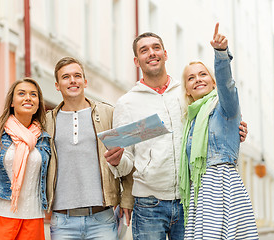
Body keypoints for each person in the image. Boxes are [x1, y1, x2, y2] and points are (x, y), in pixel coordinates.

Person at [105, 30, 248, 239]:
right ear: (137, 61)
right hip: (149, 203)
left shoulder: (187, 92)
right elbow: (126, 161)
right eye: (144, 51)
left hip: (189, 200)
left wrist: (236, 130)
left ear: (165, 53)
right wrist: (117, 161)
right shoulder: (127, 103)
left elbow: (217, 117)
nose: (151, 53)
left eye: (156, 48)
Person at [179, 23, 258, 239]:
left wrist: (220, 53)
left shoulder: (225, 107)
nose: (198, 80)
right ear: (186, 89)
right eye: (191, 77)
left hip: (222, 186)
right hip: (200, 193)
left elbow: (227, 85)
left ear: (213, 82)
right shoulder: (190, 120)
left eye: (203, 74)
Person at [45, 57, 134, 240]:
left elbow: (127, 159)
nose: (72, 81)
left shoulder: (108, 114)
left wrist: (127, 199)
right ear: (57, 85)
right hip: (62, 221)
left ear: (85, 82)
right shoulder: (47, 122)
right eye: (66, 77)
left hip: (102, 218)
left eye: (77, 76)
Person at [0, 78, 51, 239]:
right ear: (12, 102)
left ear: (38, 103)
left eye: (33, 95)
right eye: (21, 93)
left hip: (33, 219)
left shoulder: (44, 139)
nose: (28, 98)